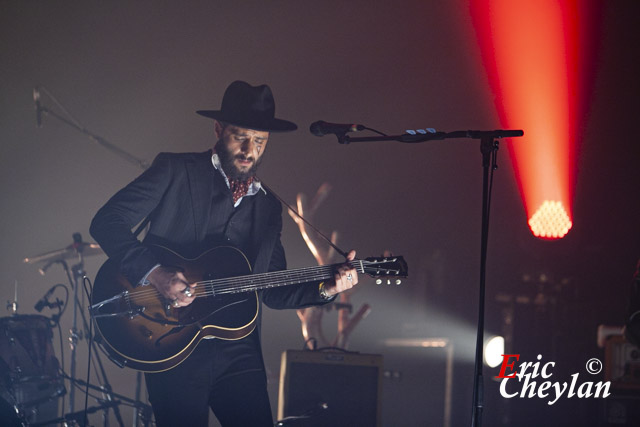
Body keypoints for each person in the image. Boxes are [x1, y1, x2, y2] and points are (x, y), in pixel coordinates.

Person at [90, 80, 359, 426]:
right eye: (239, 136)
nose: (249, 149)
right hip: (172, 341)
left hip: (239, 352)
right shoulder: (176, 170)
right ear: (218, 130)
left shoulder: (267, 208)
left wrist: (328, 288)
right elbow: (107, 222)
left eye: (259, 141)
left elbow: (273, 288)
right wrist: (156, 273)